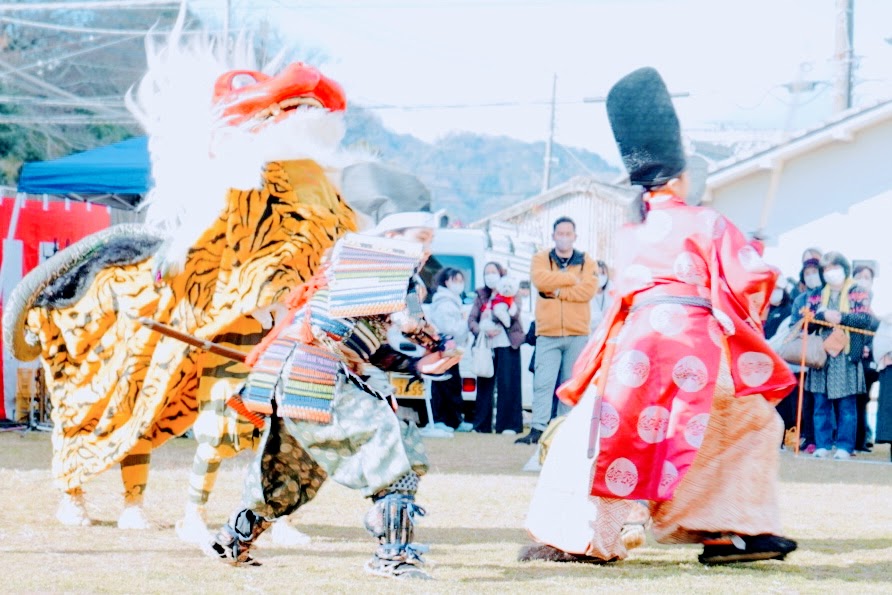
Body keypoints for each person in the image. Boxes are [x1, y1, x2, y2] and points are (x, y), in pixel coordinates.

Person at [520, 67, 798, 566]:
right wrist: (761, 256)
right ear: (680, 176)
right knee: (748, 421)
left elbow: (619, 299)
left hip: (637, 349)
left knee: (616, 432)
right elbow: (746, 279)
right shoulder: (707, 220)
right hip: (697, 349)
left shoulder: (629, 233)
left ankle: (586, 538)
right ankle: (724, 531)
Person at [207, 191, 461, 578]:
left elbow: (365, 349)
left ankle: (231, 540)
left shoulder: (359, 270)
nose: (426, 251)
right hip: (316, 372)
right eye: (421, 239)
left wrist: (417, 364)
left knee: (292, 472)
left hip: (296, 374)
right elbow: (409, 322)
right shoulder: (383, 265)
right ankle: (393, 556)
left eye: (430, 242)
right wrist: (436, 342)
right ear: (392, 238)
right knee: (395, 451)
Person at [516, 217, 597, 445]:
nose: (564, 237)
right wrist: (570, 279)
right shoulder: (541, 258)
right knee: (543, 382)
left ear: (575, 236)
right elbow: (540, 281)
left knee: (569, 384)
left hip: (577, 332)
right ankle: (538, 428)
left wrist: (558, 292)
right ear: (553, 236)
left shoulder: (586, 261)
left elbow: (588, 291)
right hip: (548, 332)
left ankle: (565, 429)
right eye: (560, 233)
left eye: (568, 233)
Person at [792, 252, 879, 460]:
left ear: (843, 268)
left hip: (847, 355)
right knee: (820, 402)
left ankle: (844, 446)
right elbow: (807, 321)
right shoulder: (817, 294)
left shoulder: (857, 291)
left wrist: (840, 317)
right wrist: (823, 315)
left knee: (846, 404)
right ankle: (822, 444)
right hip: (821, 355)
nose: (831, 273)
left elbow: (865, 320)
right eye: (827, 269)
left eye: (834, 268)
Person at [468, 262, 525, 434]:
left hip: (508, 343)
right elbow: (472, 320)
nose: (490, 275)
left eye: (494, 272)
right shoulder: (480, 295)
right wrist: (482, 330)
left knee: (508, 384)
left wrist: (494, 315)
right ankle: (481, 425)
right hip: (486, 346)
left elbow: (515, 315)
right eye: (487, 273)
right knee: (484, 384)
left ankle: (509, 425)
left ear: (501, 274)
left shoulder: (512, 292)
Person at [428, 267, 473, 432]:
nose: (459, 285)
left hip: (450, 350)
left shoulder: (451, 300)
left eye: (461, 281)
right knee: (443, 384)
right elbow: (449, 328)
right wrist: (465, 321)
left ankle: (453, 420)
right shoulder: (444, 302)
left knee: (452, 384)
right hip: (444, 349)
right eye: (456, 280)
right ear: (447, 282)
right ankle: (442, 419)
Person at [788, 258, 825, 452]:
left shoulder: (828, 295)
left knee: (823, 399)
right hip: (806, 355)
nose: (811, 276)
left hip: (826, 352)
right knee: (807, 399)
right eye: (807, 273)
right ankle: (808, 437)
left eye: (814, 272)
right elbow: (792, 325)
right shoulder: (800, 300)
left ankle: (825, 439)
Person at [852, 260, 878, 452]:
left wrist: (869, 346)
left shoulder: (877, 302)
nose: (863, 280)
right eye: (859, 276)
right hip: (849, 357)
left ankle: (861, 439)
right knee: (848, 401)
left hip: (869, 362)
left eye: (867, 277)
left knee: (862, 400)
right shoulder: (848, 300)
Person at [590, 259, 614, 332]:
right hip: (590, 337)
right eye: (597, 274)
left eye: (603, 274)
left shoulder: (611, 289)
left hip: (607, 334)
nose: (600, 277)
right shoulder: (586, 294)